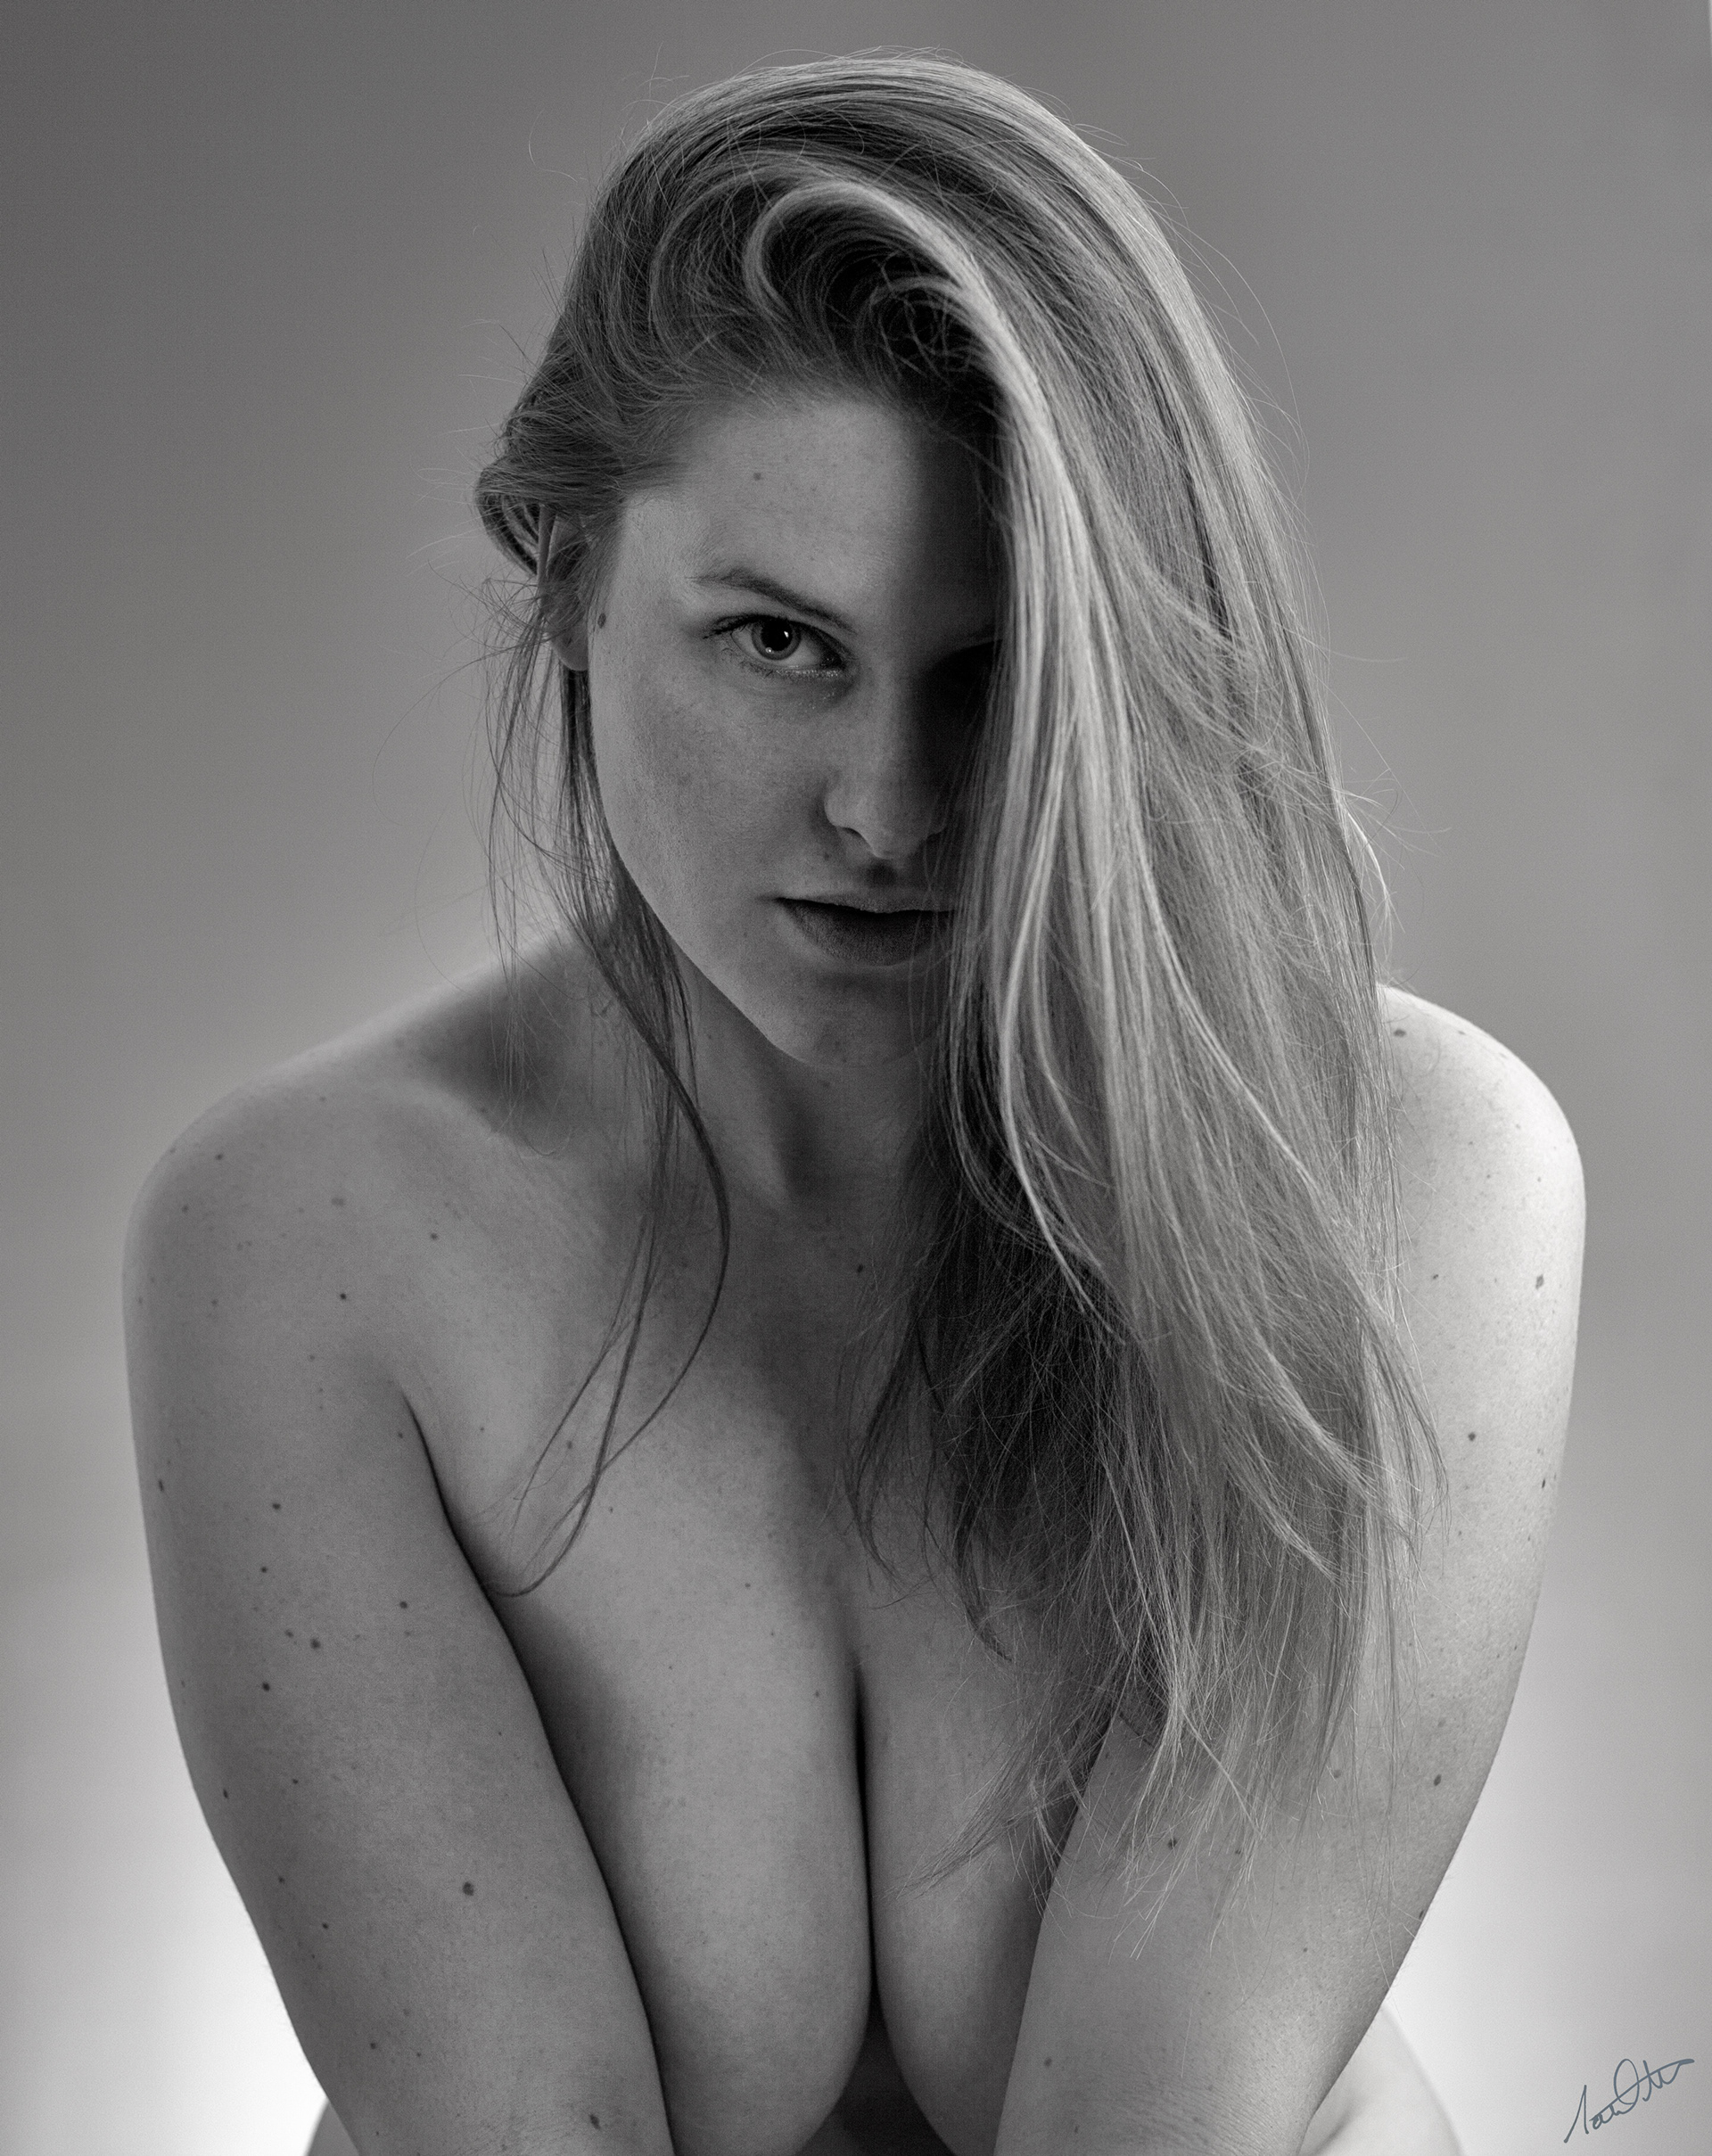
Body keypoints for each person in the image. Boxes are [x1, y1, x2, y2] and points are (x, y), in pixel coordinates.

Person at [125, 53, 1583, 2156]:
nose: (892, 810)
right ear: (568, 580)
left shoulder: (1403, 1178)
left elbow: (1157, 2131)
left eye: (996, 672)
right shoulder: (313, 1246)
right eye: (779, 644)